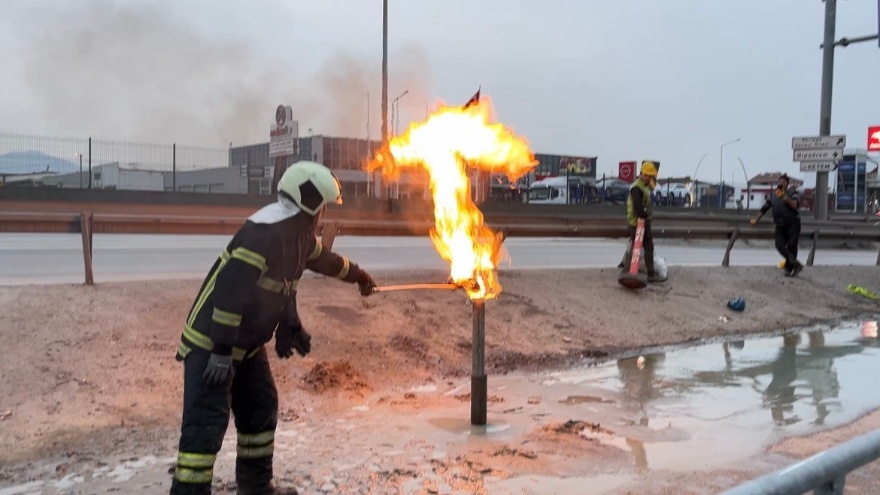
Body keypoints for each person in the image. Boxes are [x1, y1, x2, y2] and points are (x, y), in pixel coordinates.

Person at [169, 161, 378, 495]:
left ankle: (255, 486)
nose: (323, 214)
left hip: (247, 346)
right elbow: (229, 292)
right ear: (309, 203)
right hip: (212, 345)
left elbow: (325, 260)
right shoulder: (263, 233)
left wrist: (360, 276)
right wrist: (221, 353)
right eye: (322, 206)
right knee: (206, 423)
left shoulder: (297, 235)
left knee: (260, 408)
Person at [750, 173, 803, 277]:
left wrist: (785, 197)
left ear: (788, 184)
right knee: (779, 245)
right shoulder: (773, 195)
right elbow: (764, 208)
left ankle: (789, 269)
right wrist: (756, 219)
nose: (781, 183)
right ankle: (796, 264)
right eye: (779, 182)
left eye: (783, 182)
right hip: (780, 224)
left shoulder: (793, 193)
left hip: (793, 223)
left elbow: (795, 205)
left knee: (792, 246)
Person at [622, 161, 663, 283]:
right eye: (649, 176)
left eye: (651, 176)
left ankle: (630, 271)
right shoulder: (637, 188)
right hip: (637, 223)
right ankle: (635, 272)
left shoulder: (643, 186)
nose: (650, 178)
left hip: (641, 222)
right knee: (639, 248)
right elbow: (638, 208)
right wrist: (647, 215)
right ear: (643, 174)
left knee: (640, 247)